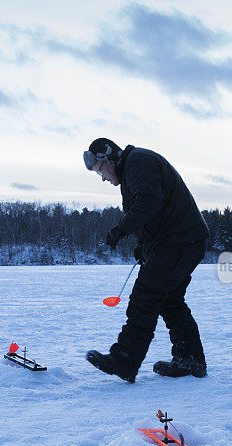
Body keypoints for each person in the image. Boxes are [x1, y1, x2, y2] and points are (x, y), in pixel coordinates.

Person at [83, 138, 209, 383]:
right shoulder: (133, 167)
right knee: (170, 301)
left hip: (179, 241)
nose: (103, 178)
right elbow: (152, 213)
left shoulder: (137, 162)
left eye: (100, 170)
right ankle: (190, 360)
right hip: (181, 242)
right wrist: (144, 246)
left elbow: (148, 203)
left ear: (109, 158)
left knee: (145, 297)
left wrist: (120, 229)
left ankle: (125, 359)